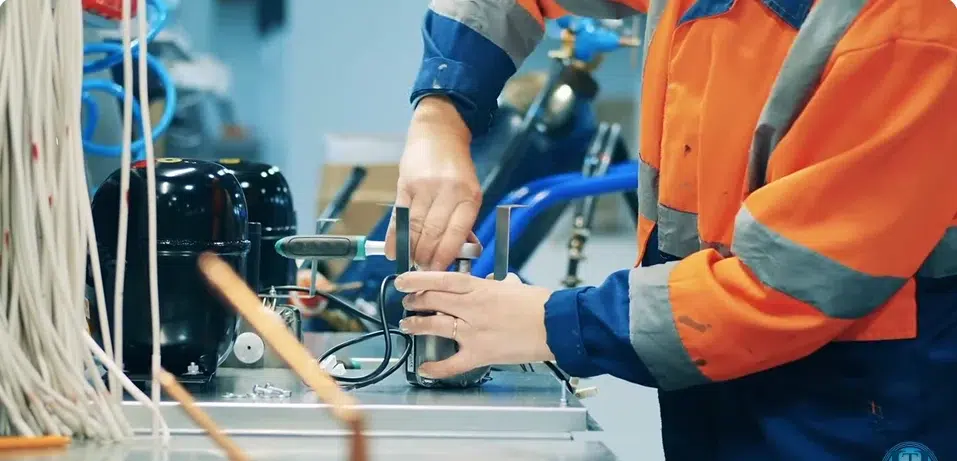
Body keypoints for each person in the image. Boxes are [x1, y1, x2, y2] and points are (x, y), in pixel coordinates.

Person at [382, 1, 957, 460]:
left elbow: (790, 287)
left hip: (851, 409)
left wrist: (554, 320)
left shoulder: (910, 27)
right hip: (708, 390)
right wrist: (441, 116)